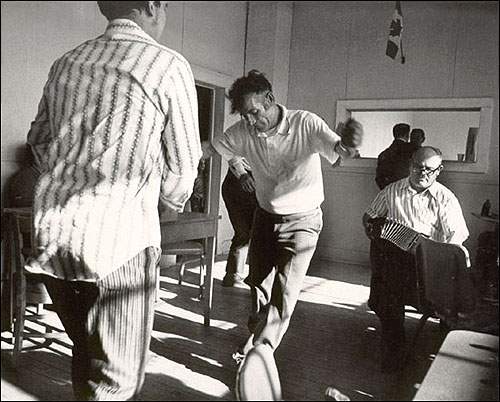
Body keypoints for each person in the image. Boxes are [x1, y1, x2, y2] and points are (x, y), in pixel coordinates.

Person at [24, 2, 201, 399]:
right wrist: (164, 203)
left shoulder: (66, 63)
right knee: (117, 382)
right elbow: (183, 170)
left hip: (53, 239)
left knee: (86, 355)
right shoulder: (167, 65)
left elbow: (38, 140)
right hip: (117, 247)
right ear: (154, 5)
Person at [211, 70, 363, 363]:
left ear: (269, 98)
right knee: (257, 281)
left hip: (303, 221)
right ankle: (258, 332)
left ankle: (260, 352)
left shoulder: (305, 123)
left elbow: (340, 153)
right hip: (266, 216)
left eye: (254, 112)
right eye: (244, 116)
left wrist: (351, 145)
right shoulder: (244, 130)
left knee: (285, 289)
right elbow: (215, 148)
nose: (250, 122)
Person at [362, 146, 469, 373]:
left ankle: (437, 338)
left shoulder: (446, 199)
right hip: (396, 266)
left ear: (439, 170)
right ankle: (395, 346)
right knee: (385, 290)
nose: (423, 173)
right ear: (410, 164)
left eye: (429, 170)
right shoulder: (391, 191)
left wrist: (429, 250)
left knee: (392, 287)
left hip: (430, 269)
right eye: (417, 167)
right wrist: (373, 230)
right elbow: (369, 216)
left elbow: (455, 244)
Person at [375, 123, 414, 190]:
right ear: (407, 135)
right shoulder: (412, 151)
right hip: (406, 190)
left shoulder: (384, 154)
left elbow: (379, 178)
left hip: (389, 191)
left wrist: (387, 190)